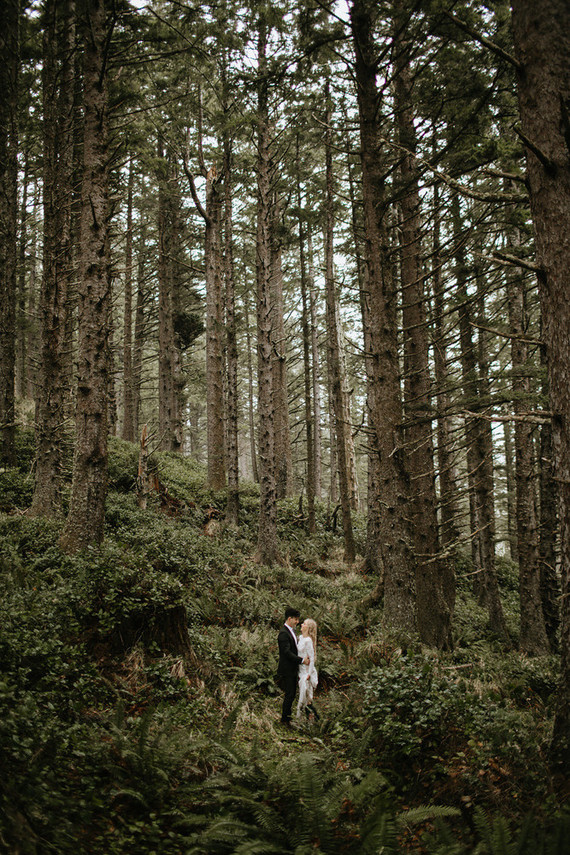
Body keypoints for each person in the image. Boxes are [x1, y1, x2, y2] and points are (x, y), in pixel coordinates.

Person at [277, 607, 309, 727]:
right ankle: (285, 719)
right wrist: (301, 660)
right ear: (289, 618)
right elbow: (287, 653)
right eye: (295, 619)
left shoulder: (291, 631)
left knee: (291, 694)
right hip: (287, 669)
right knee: (289, 694)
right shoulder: (283, 633)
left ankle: (287, 718)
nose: (297, 622)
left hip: (293, 669)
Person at [296, 618, 319, 722]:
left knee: (306, 696)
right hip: (300, 669)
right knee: (304, 695)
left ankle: (313, 718)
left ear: (308, 628)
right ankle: (307, 719)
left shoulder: (308, 640)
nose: (301, 625)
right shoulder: (300, 638)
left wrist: (309, 674)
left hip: (306, 671)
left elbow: (312, 658)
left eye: (304, 624)